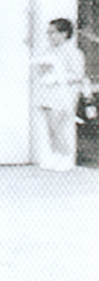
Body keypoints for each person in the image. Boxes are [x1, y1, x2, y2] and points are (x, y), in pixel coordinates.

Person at [32, 17, 92, 172]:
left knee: (58, 126)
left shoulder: (73, 53)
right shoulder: (48, 51)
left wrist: (58, 78)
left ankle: (65, 157)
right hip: (48, 92)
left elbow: (78, 75)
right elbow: (40, 71)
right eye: (48, 33)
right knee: (50, 127)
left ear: (64, 34)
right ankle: (54, 155)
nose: (50, 36)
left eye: (53, 33)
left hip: (63, 93)